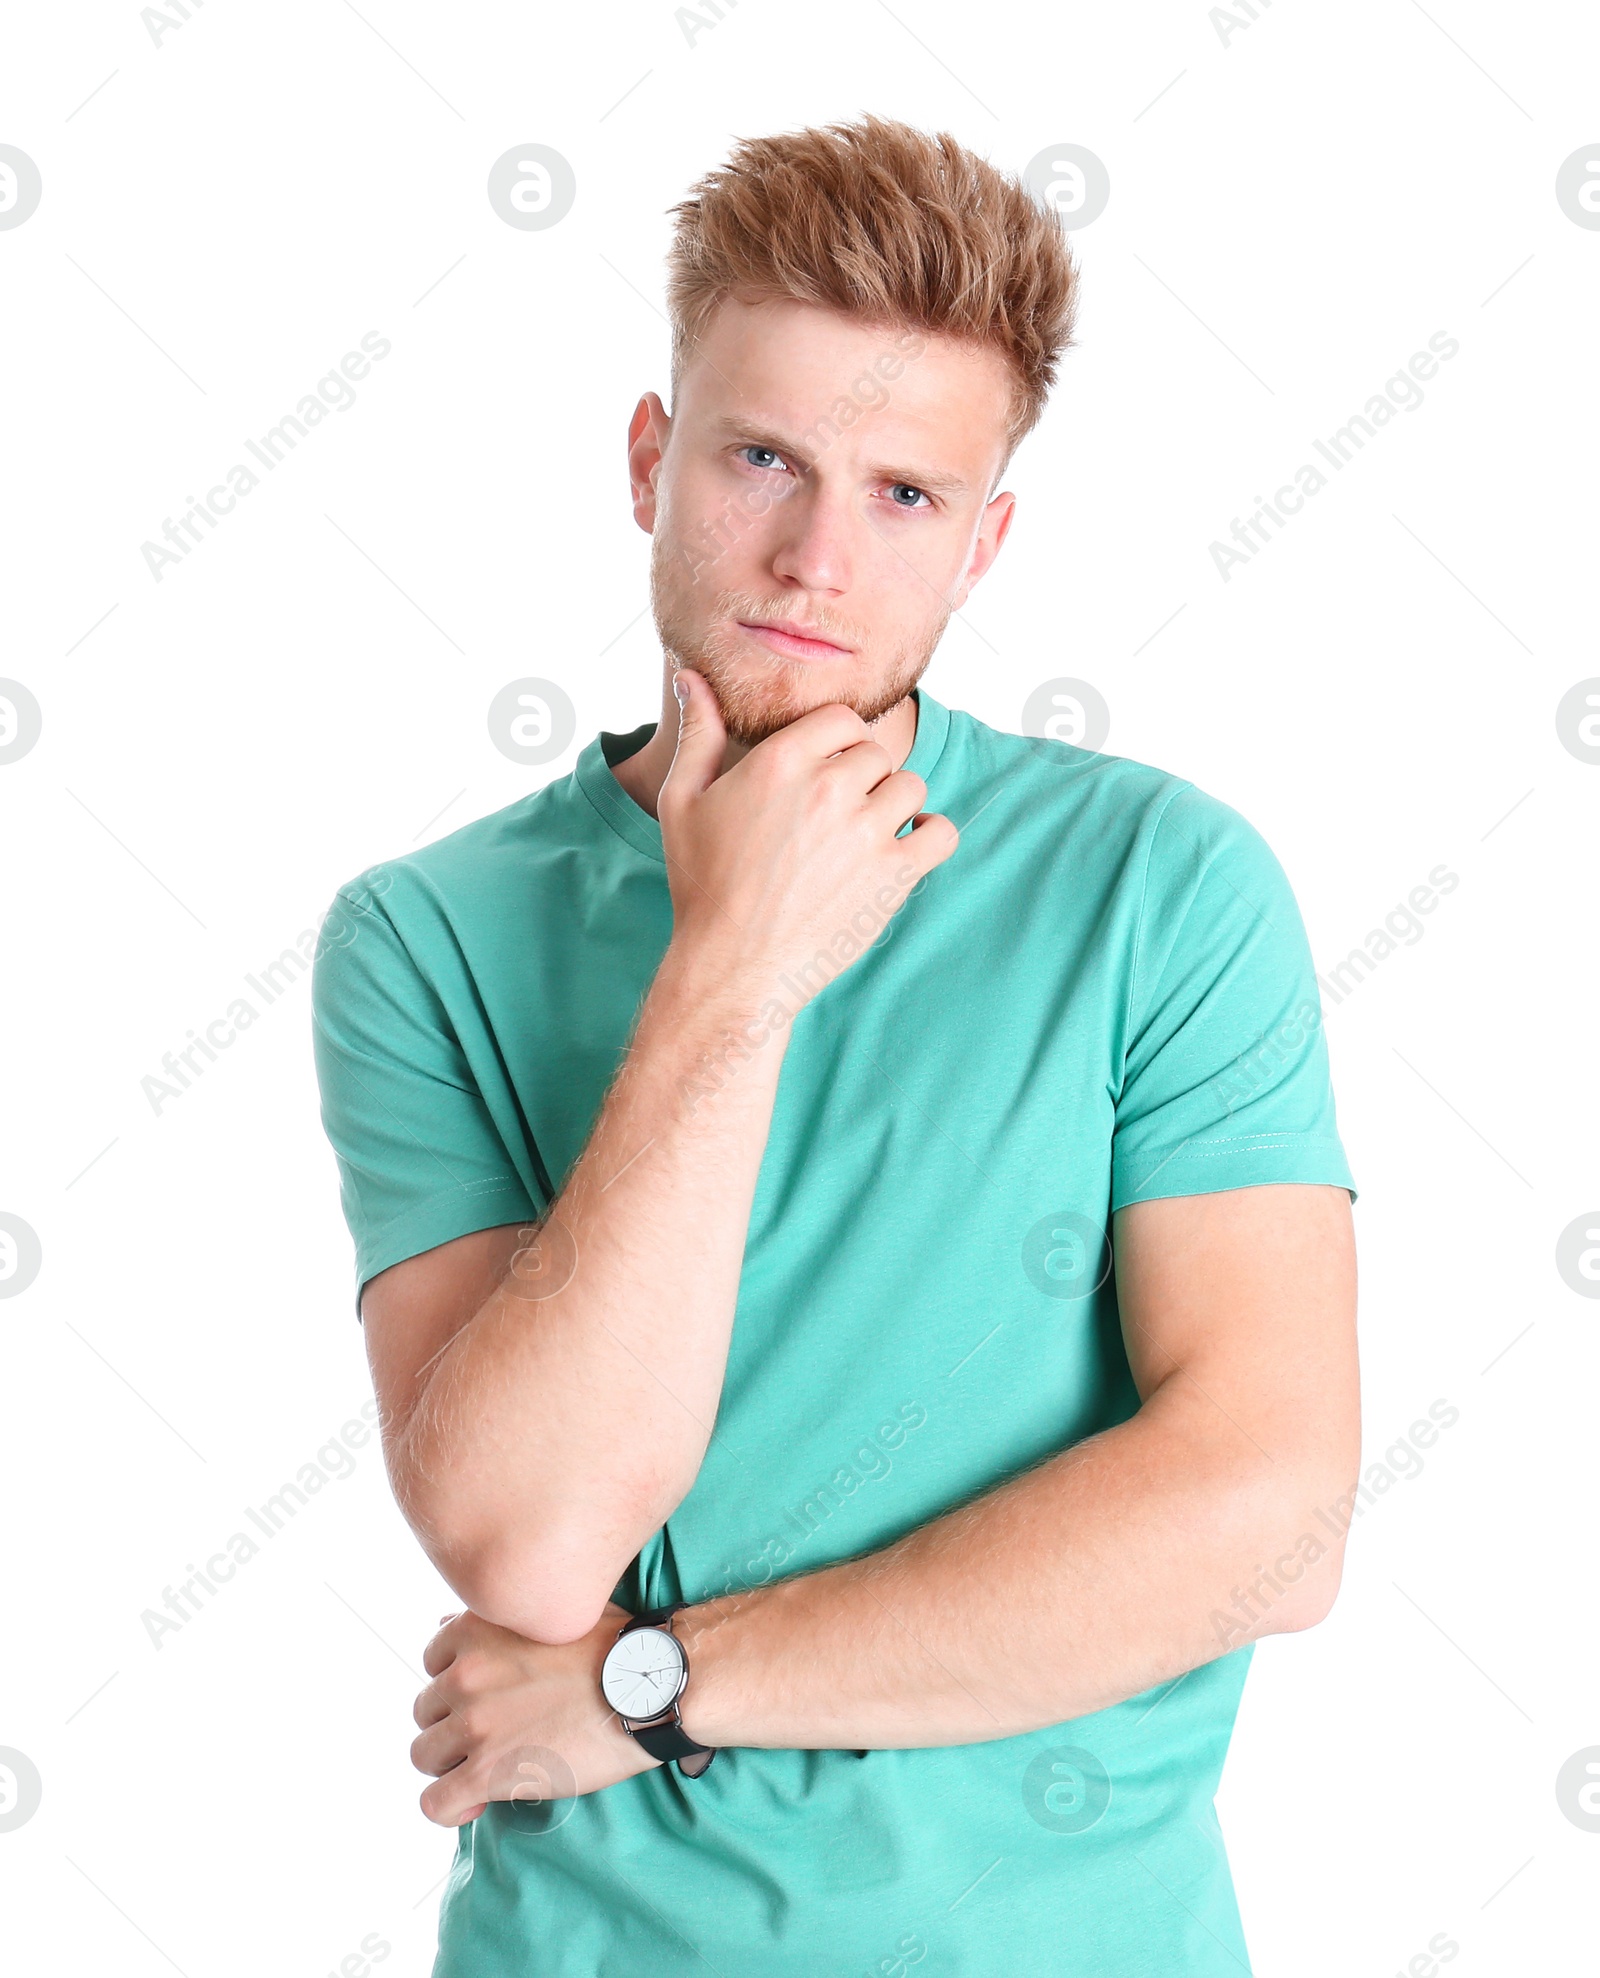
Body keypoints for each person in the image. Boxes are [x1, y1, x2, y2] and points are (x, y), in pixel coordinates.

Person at [311, 112, 1359, 1977]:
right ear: (652, 461)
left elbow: (1271, 1517)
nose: (813, 555)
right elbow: (535, 1545)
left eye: (904, 495)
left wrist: (651, 1689)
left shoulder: (1160, 886)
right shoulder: (429, 938)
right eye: (764, 458)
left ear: (985, 543)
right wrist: (736, 956)